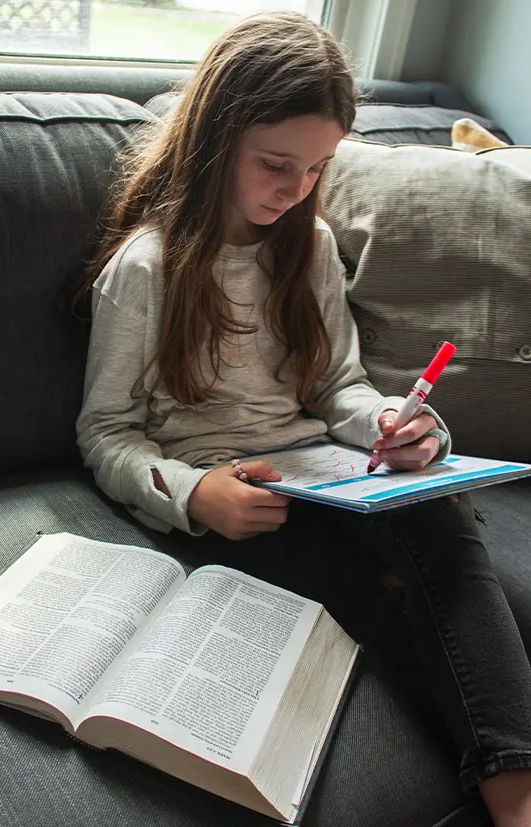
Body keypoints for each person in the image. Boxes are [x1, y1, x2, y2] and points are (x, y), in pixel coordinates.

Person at [73, 12, 531, 826]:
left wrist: (392, 422)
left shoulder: (309, 245)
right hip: (231, 499)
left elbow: (337, 390)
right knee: (381, 587)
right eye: (276, 165)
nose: (294, 191)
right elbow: (106, 432)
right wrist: (194, 492)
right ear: (213, 142)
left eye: (315, 169)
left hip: (322, 471)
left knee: (441, 510)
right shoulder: (144, 270)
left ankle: (514, 795)